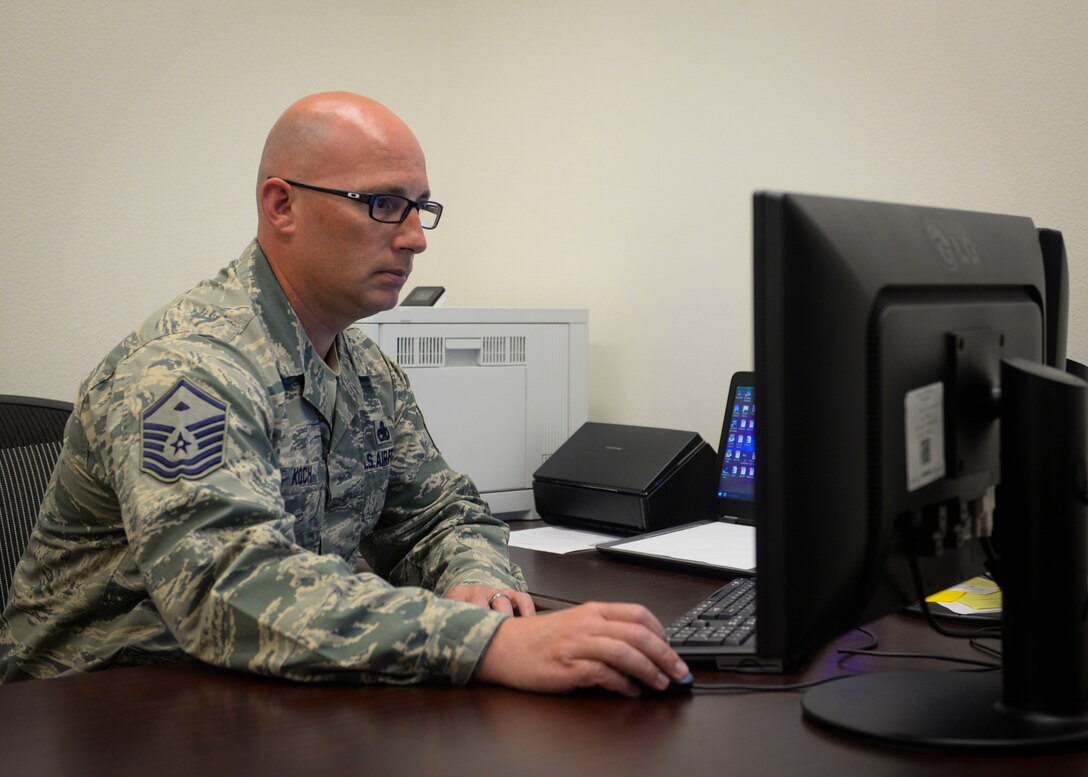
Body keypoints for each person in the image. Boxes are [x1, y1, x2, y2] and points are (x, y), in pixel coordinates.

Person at [0, 92, 689, 696]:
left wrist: (476, 582)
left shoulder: (366, 373)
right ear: (282, 204)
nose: (416, 237)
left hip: (258, 686)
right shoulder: (187, 371)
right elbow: (227, 585)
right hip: (96, 708)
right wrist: (483, 644)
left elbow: (438, 515)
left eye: (420, 208)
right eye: (384, 205)